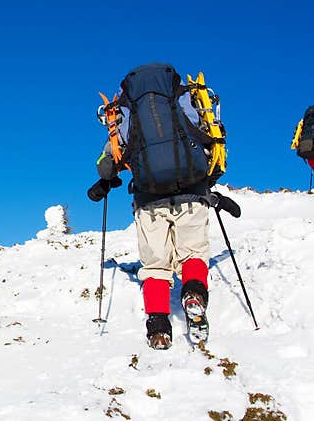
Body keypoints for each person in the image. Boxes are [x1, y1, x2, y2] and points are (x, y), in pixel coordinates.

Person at [87, 63, 240, 350]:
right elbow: (210, 139)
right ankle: (193, 294)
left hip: (148, 200)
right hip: (192, 193)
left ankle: (158, 326)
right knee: (193, 252)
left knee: (155, 264)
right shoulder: (185, 99)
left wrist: (106, 178)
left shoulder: (124, 111)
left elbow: (107, 163)